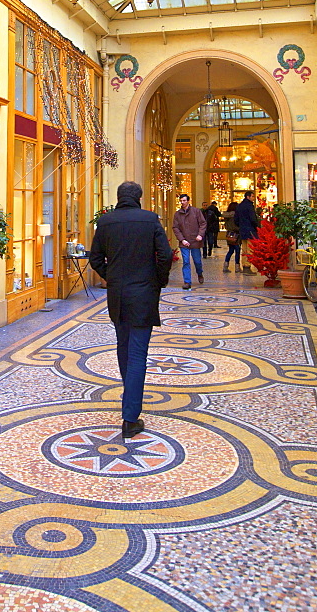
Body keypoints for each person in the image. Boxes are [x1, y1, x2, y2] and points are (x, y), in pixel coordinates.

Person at [89, 180, 172, 440]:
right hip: (144, 295)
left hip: (118, 296)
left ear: (118, 196)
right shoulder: (149, 220)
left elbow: (94, 259)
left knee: (123, 348)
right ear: (139, 197)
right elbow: (166, 255)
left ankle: (130, 403)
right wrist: (158, 280)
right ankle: (130, 417)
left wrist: (111, 277)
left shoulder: (106, 222)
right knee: (137, 353)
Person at [172, 193, 206, 289]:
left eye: (184, 200)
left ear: (188, 201)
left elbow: (203, 223)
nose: (182, 202)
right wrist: (182, 239)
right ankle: (187, 281)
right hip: (184, 242)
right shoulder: (178, 214)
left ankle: (200, 273)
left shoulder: (196, 211)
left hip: (195, 241)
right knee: (186, 262)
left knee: (197, 261)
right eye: (181, 201)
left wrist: (200, 235)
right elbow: (175, 227)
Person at [235, 190, 258, 273]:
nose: (253, 198)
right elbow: (253, 218)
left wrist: (240, 226)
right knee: (250, 249)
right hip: (250, 230)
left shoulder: (239, 206)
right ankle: (247, 266)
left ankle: (244, 265)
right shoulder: (249, 206)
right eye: (252, 196)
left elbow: (236, 219)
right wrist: (257, 226)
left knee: (244, 249)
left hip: (242, 230)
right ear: (248, 197)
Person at [222, 201, 241, 273]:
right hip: (236, 235)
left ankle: (225, 265)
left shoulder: (227, 216)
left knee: (230, 250)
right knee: (237, 251)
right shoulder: (235, 216)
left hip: (229, 234)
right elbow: (236, 226)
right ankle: (237, 267)